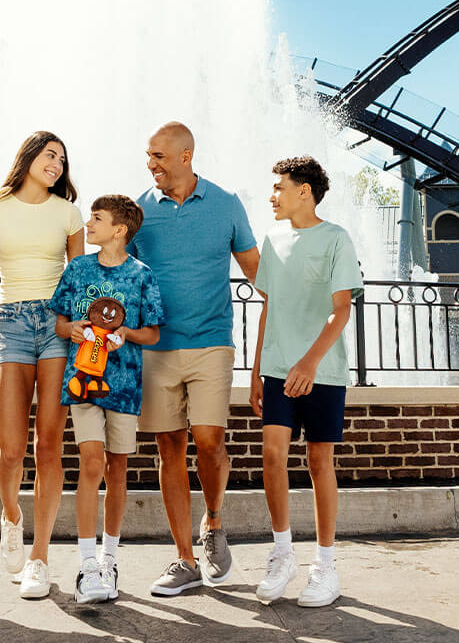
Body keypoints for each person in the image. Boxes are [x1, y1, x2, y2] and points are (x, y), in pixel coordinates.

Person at [132, 121, 259, 596]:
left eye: (159, 155)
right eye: (148, 155)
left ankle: (214, 521)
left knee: (208, 440)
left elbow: (255, 270)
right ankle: (184, 559)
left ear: (186, 156)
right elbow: (118, 270)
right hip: (157, 349)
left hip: (211, 341)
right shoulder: (140, 210)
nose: (151, 164)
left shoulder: (226, 204)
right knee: (169, 449)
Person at [0, 132, 84, 598]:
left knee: (48, 448)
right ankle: (11, 515)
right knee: (11, 448)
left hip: (57, 326)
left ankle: (40, 556)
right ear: (27, 158)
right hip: (12, 324)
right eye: (49, 155)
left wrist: (79, 333)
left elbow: (79, 279)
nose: (57, 164)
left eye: (62, 158)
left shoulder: (68, 212)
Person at [251, 157, 362, 609]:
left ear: (304, 191)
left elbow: (342, 310)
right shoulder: (273, 239)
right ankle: (282, 554)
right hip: (277, 369)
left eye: (279, 187)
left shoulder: (336, 238)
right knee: (273, 455)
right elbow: (268, 308)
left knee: (320, 463)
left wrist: (310, 363)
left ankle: (326, 565)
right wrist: (258, 371)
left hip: (323, 371)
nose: (272, 196)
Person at [48, 194, 163, 604]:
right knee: (92, 461)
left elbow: (152, 332)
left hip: (126, 385)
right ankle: (85, 565)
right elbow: (59, 321)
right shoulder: (77, 269)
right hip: (82, 383)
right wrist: (73, 330)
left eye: (96, 219)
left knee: (117, 469)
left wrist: (125, 335)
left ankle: (109, 559)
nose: (88, 224)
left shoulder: (142, 275)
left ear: (119, 230)